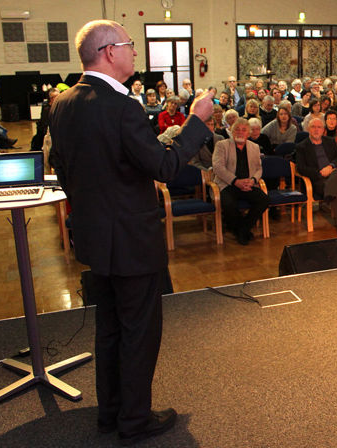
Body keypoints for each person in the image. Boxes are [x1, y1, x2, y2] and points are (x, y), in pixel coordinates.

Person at [49, 19, 214, 445]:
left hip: (94, 237)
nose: (134, 52)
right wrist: (196, 121)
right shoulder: (121, 107)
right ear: (108, 52)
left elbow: (64, 171)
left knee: (109, 327)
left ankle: (111, 413)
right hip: (131, 241)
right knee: (139, 331)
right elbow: (163, 168)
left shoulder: (63, 104)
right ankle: (135, 421)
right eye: (128, 45)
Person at [212, 118, 269, 244]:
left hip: (248, 184)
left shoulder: (254, 147)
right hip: (227, 184)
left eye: (244, 130)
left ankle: (242, 228)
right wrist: (235, 181)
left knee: (264, 200)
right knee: (229, 204)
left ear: (248, 133)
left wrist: (253, 180)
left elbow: (259, 168)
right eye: (237, 129)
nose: (240, 132)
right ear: (232, 132)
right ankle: (242, 231)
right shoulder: (222, 145)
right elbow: (217, 167)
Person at [295, 117, 337, 236]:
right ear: (308, 129)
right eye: (313, 127)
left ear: (323, 130)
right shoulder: (302, 146)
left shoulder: (330, 141)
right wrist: (320, 173)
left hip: (333, 175)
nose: (316, 130)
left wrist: (330, 167)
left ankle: (329, 197)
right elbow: (300, 168)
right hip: (318, 181)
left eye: (319, 127)